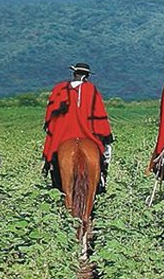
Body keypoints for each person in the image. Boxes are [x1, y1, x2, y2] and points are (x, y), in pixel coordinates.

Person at [41, 62, 113, 191]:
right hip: (87, 134)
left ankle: (53, 178)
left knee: (52, 157)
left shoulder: (59, 89)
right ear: (87, 76)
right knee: (106, 152)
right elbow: (99, 114)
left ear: (74, 73)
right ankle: (102, 177)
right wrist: (105, 135)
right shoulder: (91, 89)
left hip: (62, 135)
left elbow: (50, 115)